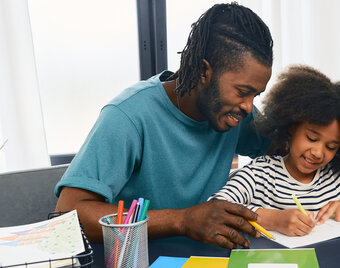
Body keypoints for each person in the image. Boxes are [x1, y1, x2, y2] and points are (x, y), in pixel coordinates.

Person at [54, 3, 273, 249]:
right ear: (203, 71)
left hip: (209, 267)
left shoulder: (235, 112)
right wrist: (181, 220)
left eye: (256, 95)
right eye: (243, 92)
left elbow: (293, 148)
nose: (248, 106)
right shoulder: (127, 115)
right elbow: (68, 215)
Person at [210, 65, 340, 236]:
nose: (317, 152)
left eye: (331, 146)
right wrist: (272, 219)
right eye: (312, 138)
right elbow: (217, 207)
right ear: (292, 126)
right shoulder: (261, 173)